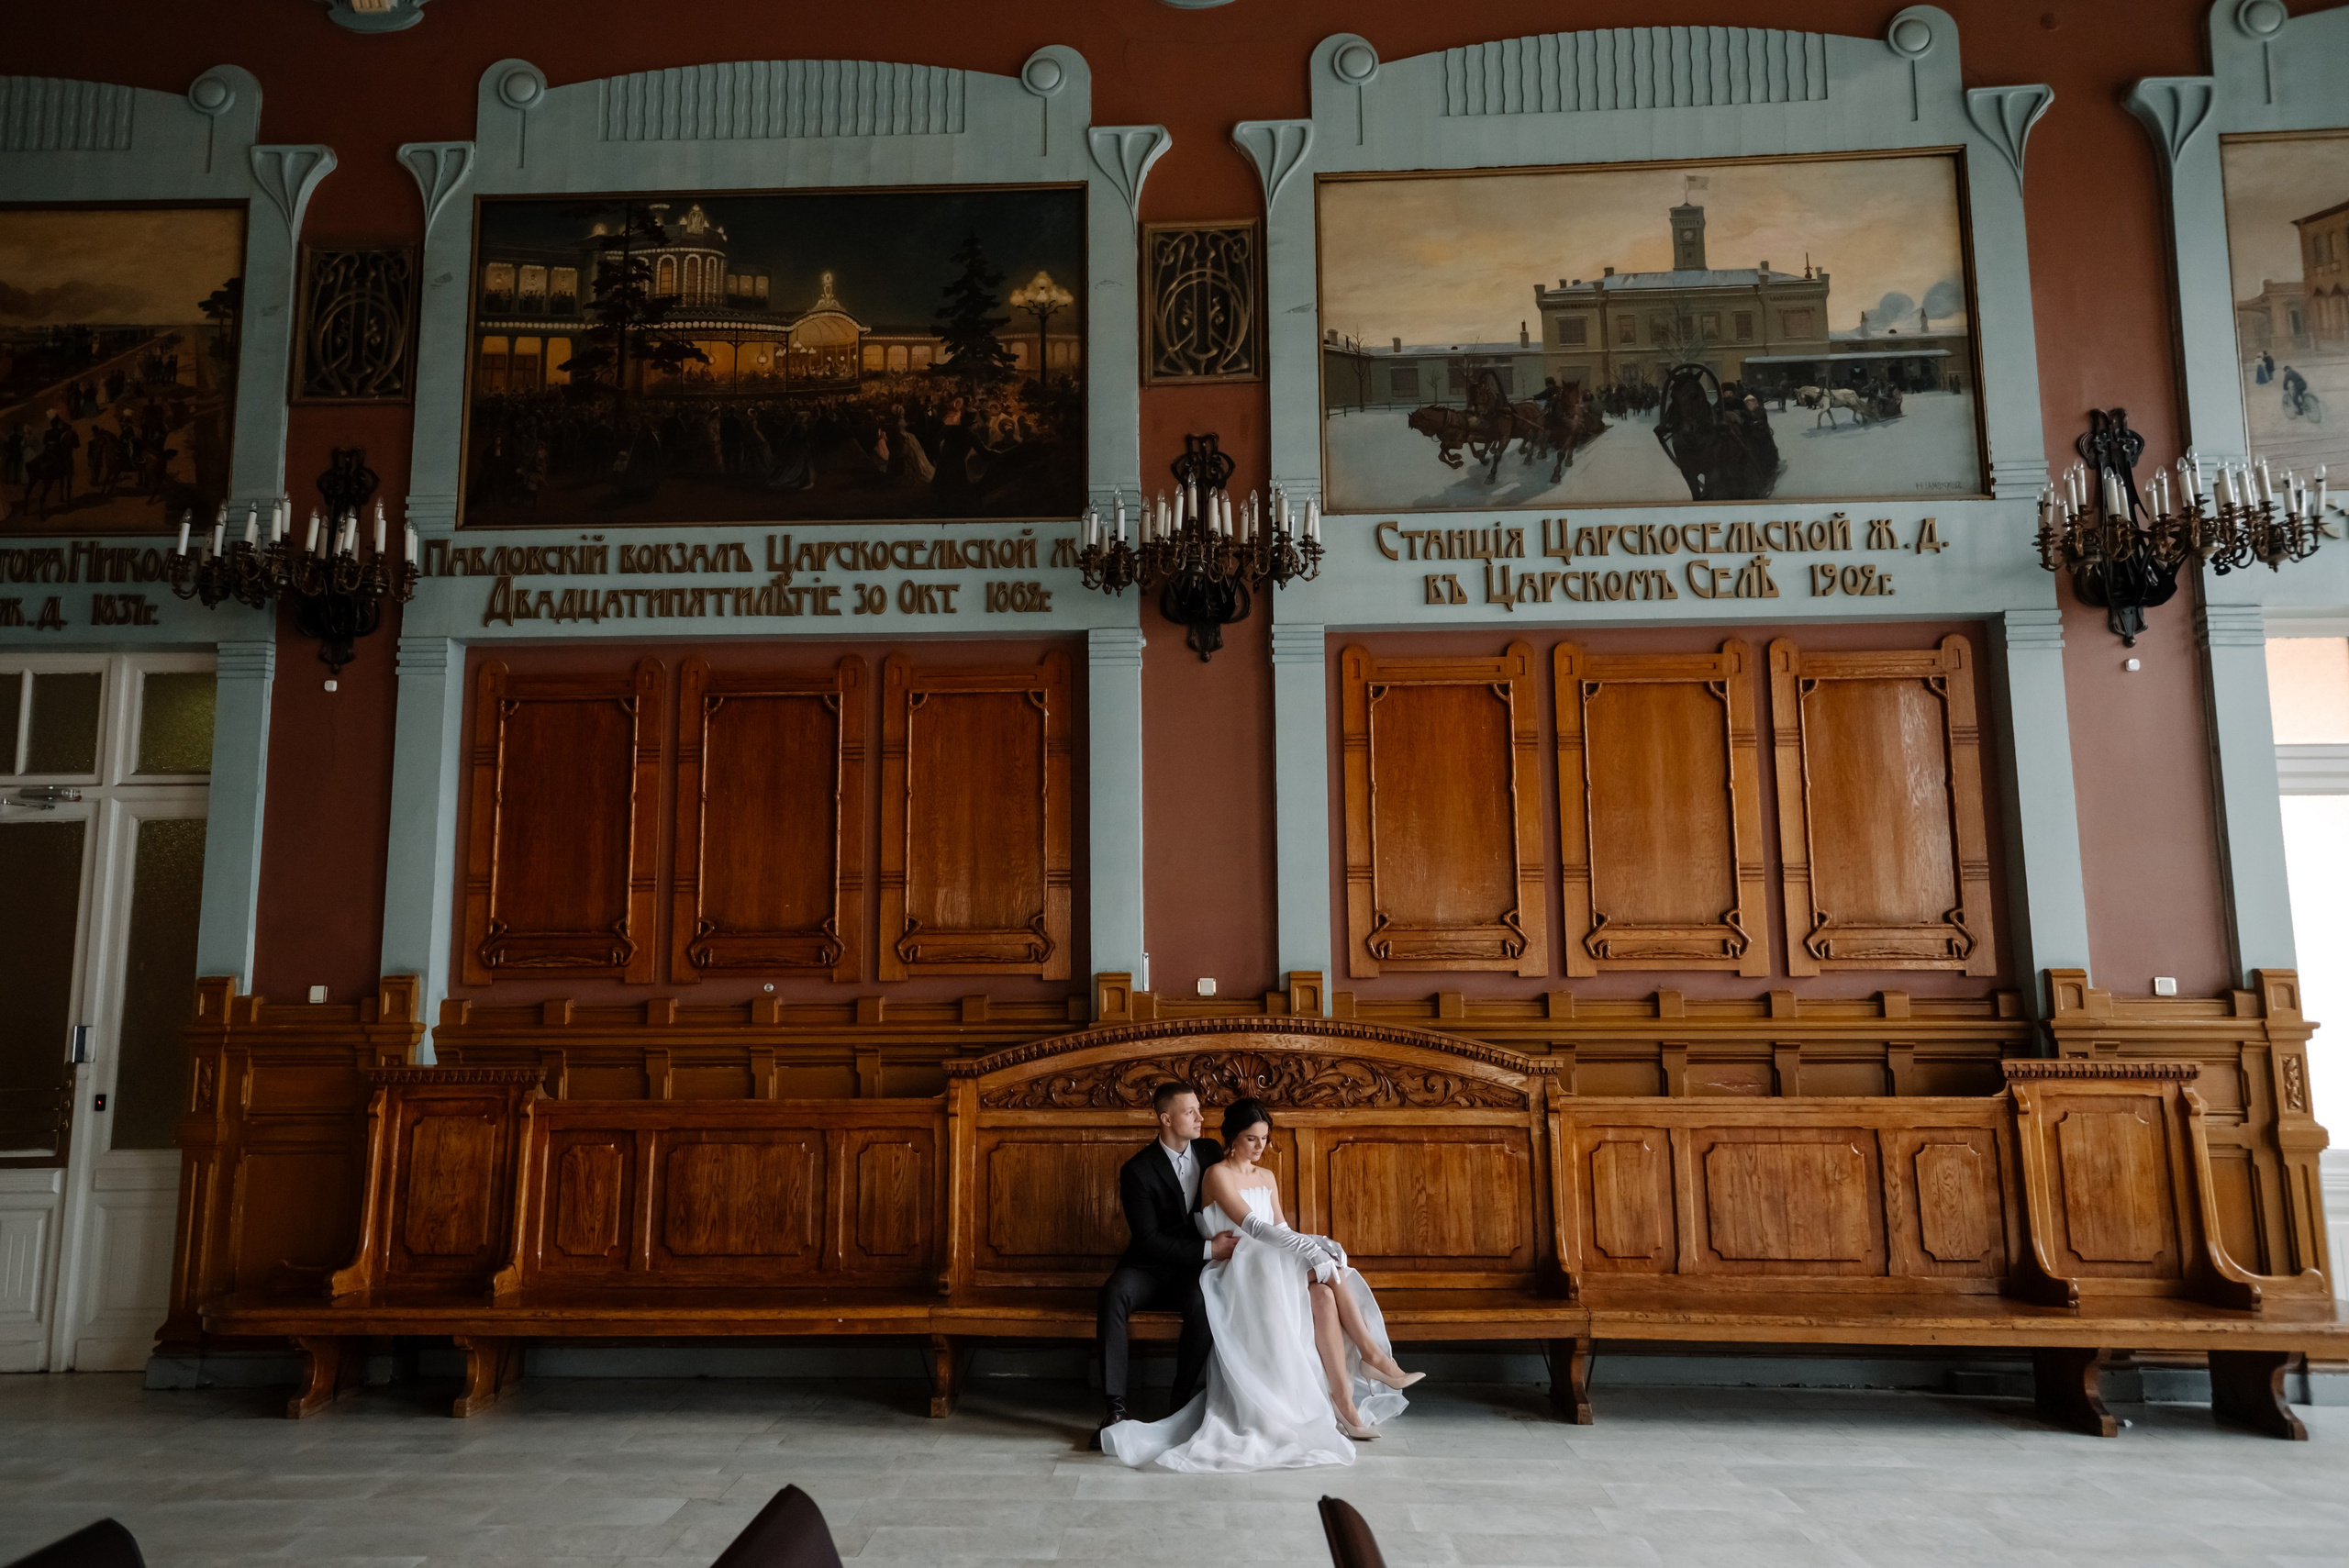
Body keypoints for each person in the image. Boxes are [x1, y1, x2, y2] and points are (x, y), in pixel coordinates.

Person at [1100, 1097, 1424, 1473]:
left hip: (1267, 1254)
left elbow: (1281, 1227)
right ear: (1233, 1140)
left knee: (1326, 1285)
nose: (1260, 1146)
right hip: (1236, 1261)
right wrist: (1305, 1249)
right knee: (1304, 1267)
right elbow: (1253, 1227)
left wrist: (1317, 1242)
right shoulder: (1213, 1172)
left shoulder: (1260, 1173)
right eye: (1252, 1139)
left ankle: (1350, 1398)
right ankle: (1372, 1363)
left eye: (1264, 1139)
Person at [1095, 1083, 1232, 1447]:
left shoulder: (1210, 1151)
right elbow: (1148, 1240)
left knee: (1203, 1305)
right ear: (1166, 1119)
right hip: (1149, 1266)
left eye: (1199, 1109)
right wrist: (1209, 1250)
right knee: (1113, 1294)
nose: (1201, 1117)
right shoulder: (1137, 1170)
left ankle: (1181, 1400)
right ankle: (1116, 1406)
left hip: (1193, 1271)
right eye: (1191, 1112)